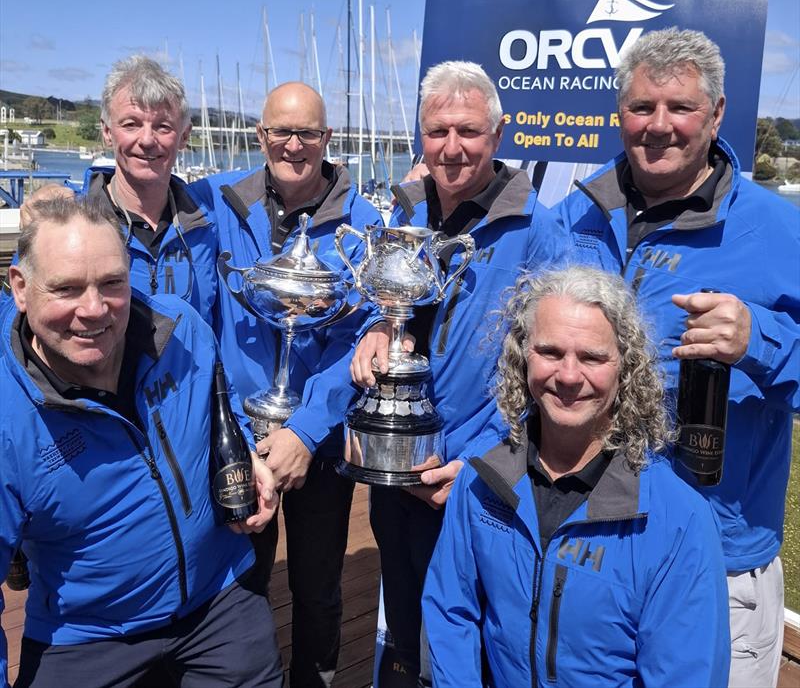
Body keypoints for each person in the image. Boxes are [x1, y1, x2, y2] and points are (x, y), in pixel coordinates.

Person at [557, 27, 800, 687]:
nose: (658, 126)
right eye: (642, 108)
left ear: (717, 114)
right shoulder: (573, 220)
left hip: (717, 567)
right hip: (588, 548)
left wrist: (762, 342)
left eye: (681, 107)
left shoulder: (780, 231)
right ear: (619, 114)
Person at [0, 196, 283, 688]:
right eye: (66, 289)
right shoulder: (7, 416)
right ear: (20, 287)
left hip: (220, 600)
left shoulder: (181, 331)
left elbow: (222, 402)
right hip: (87, 636)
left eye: (112, 283)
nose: (93, 310)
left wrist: (248, 453)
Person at [350, 61, 571, 685]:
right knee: (407, 626)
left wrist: (479, 459)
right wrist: (375, 323)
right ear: (420, 136)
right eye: (437, 130)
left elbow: (552, 370)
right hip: (400, 472)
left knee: (477, 639)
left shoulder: (538, 229)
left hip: (480, 480)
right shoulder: (403, 213)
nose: (452, 147)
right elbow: (393, 306)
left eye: (468, 131)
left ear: (498, 136)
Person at [422, 265, 731, 686]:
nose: (568, 376)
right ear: (521, 355)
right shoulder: (483, 474)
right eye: (550, 352)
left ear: (626, 369)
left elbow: (685, 675)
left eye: (592, 357)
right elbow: (449, 609)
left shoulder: (678, 521)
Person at [191, 81, 381, 688]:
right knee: (238, 586)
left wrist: (304, 430)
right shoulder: (219, 202)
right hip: (241, 439)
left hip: (320, 445)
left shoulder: (364, 221)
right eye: (281, 131)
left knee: (318, 587)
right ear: (260, 134)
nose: (293, 145)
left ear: (328, 140)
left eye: (308, 133)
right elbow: (145, 196)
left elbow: (364, 334)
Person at [13, 56, 218, 324]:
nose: (147, 140)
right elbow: (15, 318)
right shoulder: (63, 223)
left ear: (184, 137)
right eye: (131, 124)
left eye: (163, 126)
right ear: (107, 132)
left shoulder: (209, 221)